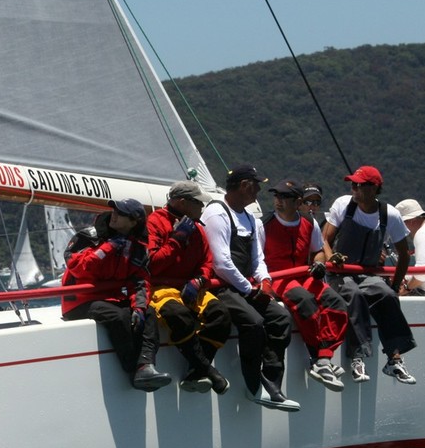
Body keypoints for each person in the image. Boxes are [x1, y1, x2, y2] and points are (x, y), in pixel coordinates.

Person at [200, 166, 299, 412]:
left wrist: (265, 281)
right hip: (221, 287)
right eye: (255, 185)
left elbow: (258, 260)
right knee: (253, 322)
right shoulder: (216, 212)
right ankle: (254, 386)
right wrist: (249, 289)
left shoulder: (250, 219)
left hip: (244, 287)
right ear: (244, 185)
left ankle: (272, 381)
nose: (258, 190)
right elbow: (221, 263)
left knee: (281, 318)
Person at [319, 165, 417, 385]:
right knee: (353, 294)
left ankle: (394, 358)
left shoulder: (389, 214)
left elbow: (403, 253)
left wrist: (395, 285)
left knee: (387, 295)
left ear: (374, 188)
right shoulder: (344, 205)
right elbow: (324, 239)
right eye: (353, 183)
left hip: (368, 274)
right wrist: (331, 257)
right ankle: (356, 357)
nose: (354, 188)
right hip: (340, 274)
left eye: (359, 185)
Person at [61, 198, 172, 392]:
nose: (113, 214)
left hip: (109, 299)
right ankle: (132, 369)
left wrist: (138, 307)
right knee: (119, 316)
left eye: (120, 213)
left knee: (148, 313)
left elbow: (139, 281)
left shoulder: (137, 247)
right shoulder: (89, 236)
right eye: (113, 210)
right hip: (79, 301)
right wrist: (109, 247)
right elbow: (78, 268)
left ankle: (146, 366)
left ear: (133, 221)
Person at [260, 179, 348, 391]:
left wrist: (319, 264)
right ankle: (318, 357)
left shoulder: (310, 223)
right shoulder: (264, 223)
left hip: (302, 276)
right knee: (305, 302)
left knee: (337, 303)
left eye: (285, 197)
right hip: (278, 278)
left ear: (298, 202)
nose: (279, 201)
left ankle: (324, 357)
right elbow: (257, 258)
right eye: (277, 196)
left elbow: (318, 251)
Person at [146, 181, 232, 394]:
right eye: (198, 203)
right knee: (179, 316)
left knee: (221, 316)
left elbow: (207, 262)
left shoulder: (197, 227)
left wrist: (199, 281)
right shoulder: (155, 222)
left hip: (190, 287)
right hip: (161, 287)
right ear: (182, 202)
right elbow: (153, 264)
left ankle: (196, 372)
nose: (202, 208)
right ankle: (207, 370)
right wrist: (177, 239)